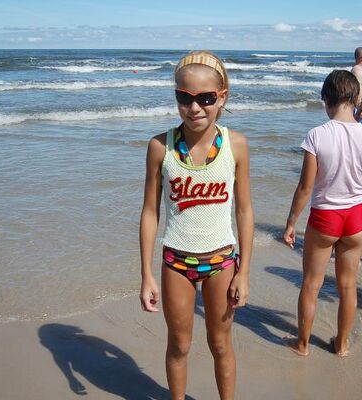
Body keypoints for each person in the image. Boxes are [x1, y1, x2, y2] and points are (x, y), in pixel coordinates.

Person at [139, 50, 254, 399]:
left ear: (222, 97)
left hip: (222, 261)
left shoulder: (236, 145)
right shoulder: (160, 147)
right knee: (179, 345)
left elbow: (244, 211)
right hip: (176, 262)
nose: (194, 108)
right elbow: (149, 212)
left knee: (220, 344)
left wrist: (244, 272)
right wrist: (146, 274)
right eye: (184, 98)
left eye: (205, 98)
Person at [282, 70, 362, 357]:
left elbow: (305, 187)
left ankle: (302, 345)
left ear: (325, 100)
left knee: (311, 284)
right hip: (355, 218)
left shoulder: (317, 135)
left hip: (325, 218)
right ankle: (341, 345)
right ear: (355, 99)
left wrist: (291, 223)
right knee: (348, 287)